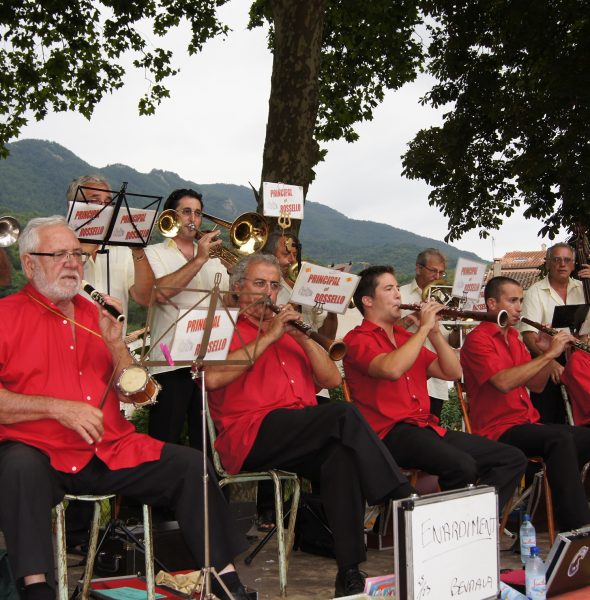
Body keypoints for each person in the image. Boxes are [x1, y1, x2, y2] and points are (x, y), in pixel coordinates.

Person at [0, 216, 251, 600]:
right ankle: (36, 588)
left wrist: (116, 343)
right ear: (30, 263)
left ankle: (226, 580)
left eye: (77, 254)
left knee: (189, 465)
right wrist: (57, 409)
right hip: (38, 450)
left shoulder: (95, 316)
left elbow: (139, 393)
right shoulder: (6, 316)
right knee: (17, 466)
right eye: (59, 255)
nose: (72, 263)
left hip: (109, 447)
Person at [205, 254, 415, 598]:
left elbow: (331, 378)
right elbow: (211, 378)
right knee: (342, 414)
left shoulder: (289, 333)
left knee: (341, 456)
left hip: (300, 430)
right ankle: (399, 495)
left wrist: (303, 338)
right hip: (250, 434)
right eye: (259, 284)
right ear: (238, 287)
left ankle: (348, 571)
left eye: (275, 285)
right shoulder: (221, 325)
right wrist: (271, 336)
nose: (268, 293)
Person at [343, 266, 527, 514]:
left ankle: (476, 520)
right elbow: (392, 369)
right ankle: (451, 527)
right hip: (387, 432)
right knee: (461, 466)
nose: (398, 294)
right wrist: (421, 331)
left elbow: (452, 372)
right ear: (367, 301)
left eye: (398, 287)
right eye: (389, 289)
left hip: (424, 428)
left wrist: (434, 332)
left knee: (512, 458)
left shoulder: (405, 337)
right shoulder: (357, 339)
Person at [461, 276, 590, 532]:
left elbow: (537, 385)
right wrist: (552, 355)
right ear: (491, 303)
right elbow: (503, 383)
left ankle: (546, 515)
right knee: (559, 439)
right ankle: (576, 529)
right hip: (498, 429)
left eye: (521, 300)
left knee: (584, 438)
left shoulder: (515, 340)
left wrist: (542, 351)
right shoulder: (479, 340)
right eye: (512, 301)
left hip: (526, 422)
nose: (520, 307)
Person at [144, 188, 226, 449]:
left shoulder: (216, 259)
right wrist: (200, 259)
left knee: (207, 446)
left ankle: (206, 491)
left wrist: (241, 276)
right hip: (170, 361)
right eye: (187, 211)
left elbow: (232, 301)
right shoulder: (153, 253)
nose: (194, 218)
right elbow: (161, 292)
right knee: (164, 439)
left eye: (198, 213)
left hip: (209, 360)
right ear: (172, 215)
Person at [66, 174, 155, 320]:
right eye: (95, 201)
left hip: (113, 340)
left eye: (109, 202)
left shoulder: (123, 249)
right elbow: (51, 290)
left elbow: (146, 299)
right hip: (69, 339)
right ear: (74, 206)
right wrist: (85, 251)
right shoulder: (56, 244)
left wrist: (138, 252)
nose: (104, 207)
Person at [520, 243, 590, 423]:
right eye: (557, 260)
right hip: (548, 355)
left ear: (574, 265)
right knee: (550, 415)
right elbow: (529, 337)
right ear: (548, 263)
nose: (562, 264)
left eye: (567, 260)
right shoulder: (535, 292)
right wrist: (550, 363)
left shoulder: (584, 288)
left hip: (581, 355)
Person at [399, 248, 459, 419]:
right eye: (433, 271)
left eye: (442, 273)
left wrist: (457, 325)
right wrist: (415, 315)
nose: (438, 277)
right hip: (405, 380)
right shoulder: (399, 295)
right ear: (418, 268)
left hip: (435, 384)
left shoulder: (443, 298)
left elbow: (452, 342)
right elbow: (386, 331)